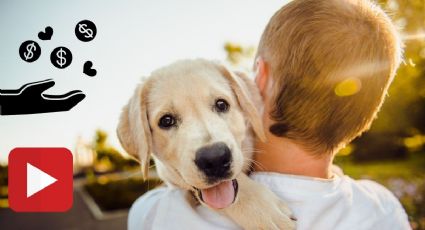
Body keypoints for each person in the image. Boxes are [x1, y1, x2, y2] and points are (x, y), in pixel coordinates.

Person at [128, 0, 410, 229]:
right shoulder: (383, 209)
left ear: (259, 78)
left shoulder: (154, 214)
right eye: (168, 121)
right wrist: (241, 194)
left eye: (221, 105)